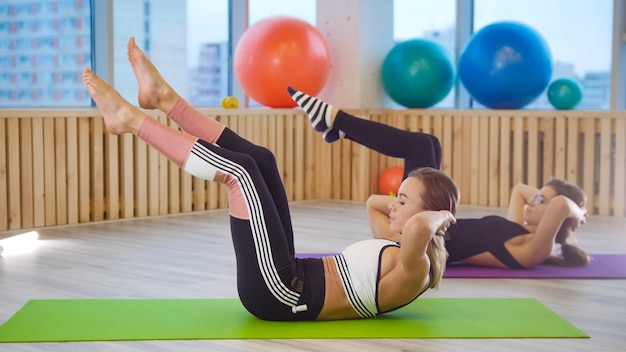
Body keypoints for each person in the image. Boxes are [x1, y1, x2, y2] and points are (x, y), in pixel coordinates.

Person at [81, 37, 459, 321]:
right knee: (262, 160)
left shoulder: (416, 269)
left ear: (431, 216)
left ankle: (131, 121)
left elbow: (419, 228)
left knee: (239, 174)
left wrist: (440, 217)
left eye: (404, 201)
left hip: (281, 293)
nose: (393, 201)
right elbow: (374, 204)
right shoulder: (395, 245)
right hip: (287, 272)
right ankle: (165, 100)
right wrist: (406, 203)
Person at [287, 87, 590, 269]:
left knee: (420, 146)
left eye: (541, 201)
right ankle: (337, 129)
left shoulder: (536, 249)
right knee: (430, 143)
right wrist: (544, 200)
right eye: (538, 195)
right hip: (437, 223)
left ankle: (335, 120)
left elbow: (562, 203)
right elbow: (521, 191)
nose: (532, 199)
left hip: (430, 234)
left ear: (557, 218)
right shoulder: (519, 229)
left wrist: (577, 213)